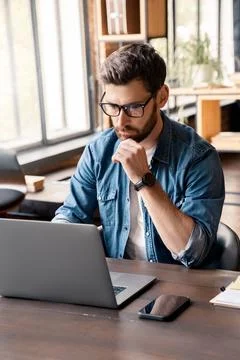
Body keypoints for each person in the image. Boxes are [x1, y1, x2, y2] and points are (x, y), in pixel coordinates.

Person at [52, 43, 225, 268]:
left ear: (161, 97)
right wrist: (54, 236)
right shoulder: (98, 152)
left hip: (178, 286)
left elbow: (192, 252)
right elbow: (72, 214)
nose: (120, 122)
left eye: (134, 107)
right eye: (112, 106)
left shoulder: (198, 158)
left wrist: (144, 180)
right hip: (119, 280)